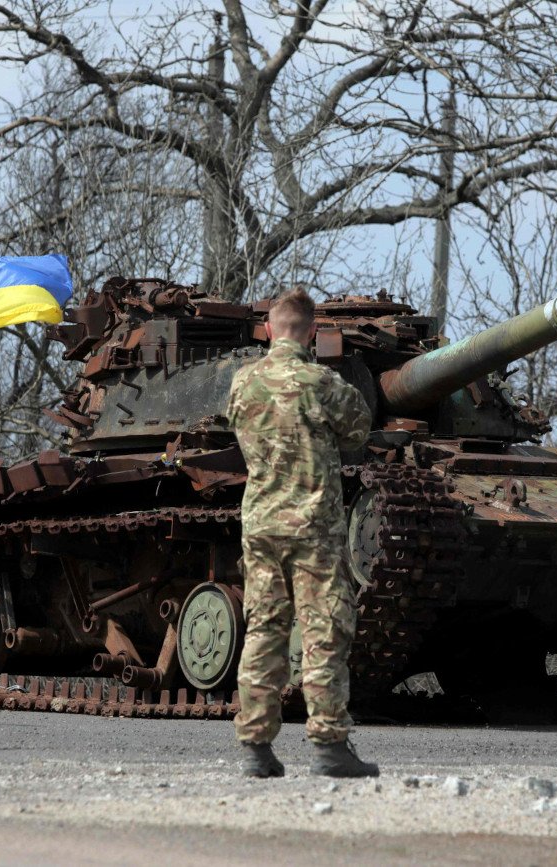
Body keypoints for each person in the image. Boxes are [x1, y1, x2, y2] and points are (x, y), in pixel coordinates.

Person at [227, 288, 378, 778]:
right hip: (314, 527)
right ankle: (330, 747)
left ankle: (255, 749)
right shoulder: (322, 383)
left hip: (262, 526)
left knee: (264, 630)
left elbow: (238, 430)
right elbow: (358, 429)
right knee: (323, 631)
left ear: (269, 329)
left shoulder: (243, 384)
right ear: (312, 331)